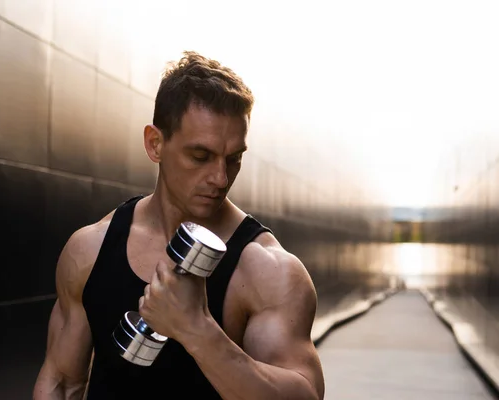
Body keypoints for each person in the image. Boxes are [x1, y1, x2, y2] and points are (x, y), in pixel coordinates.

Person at [33, 51, 325, 400]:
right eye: (200, 157)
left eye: (233, 159)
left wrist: (197, 330)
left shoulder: (267, 270)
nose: (220, 178)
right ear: (155, 144)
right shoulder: (90, 250)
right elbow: (62, 383)